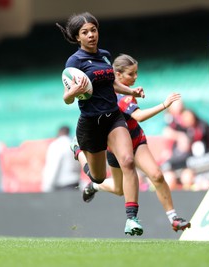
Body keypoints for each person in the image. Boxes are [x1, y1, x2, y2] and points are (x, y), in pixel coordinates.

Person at [74, 54, 190, 232]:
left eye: (136, 73)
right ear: (117, 75)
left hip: (135, 141)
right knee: (119, 189)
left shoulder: (127, 92)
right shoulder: (115, 97)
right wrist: (165, 104)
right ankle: (95, 185)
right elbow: (139, 116)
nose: (135, 77)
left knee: (157, 175)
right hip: (117, 148)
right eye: (131, 74)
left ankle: (173, 218)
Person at [56, 12, 146, 236]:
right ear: (78, 37)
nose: (91, 35)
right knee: (97, 177)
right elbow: (67, 99)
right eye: (85, 32)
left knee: (127, 160)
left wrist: (131, 90)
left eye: (93, 30)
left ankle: (131, 219)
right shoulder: (74, 62)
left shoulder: (105, 55)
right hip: (90, 124)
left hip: (113, 118)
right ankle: (78, 150)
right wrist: (72, 93)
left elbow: (112, 83)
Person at [42, 126, 81, 192]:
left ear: (59, 132)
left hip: (62, 186)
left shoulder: (57, 145)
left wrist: (47, 186)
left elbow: (53, 166)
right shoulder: (74, 145)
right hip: (75, 183)